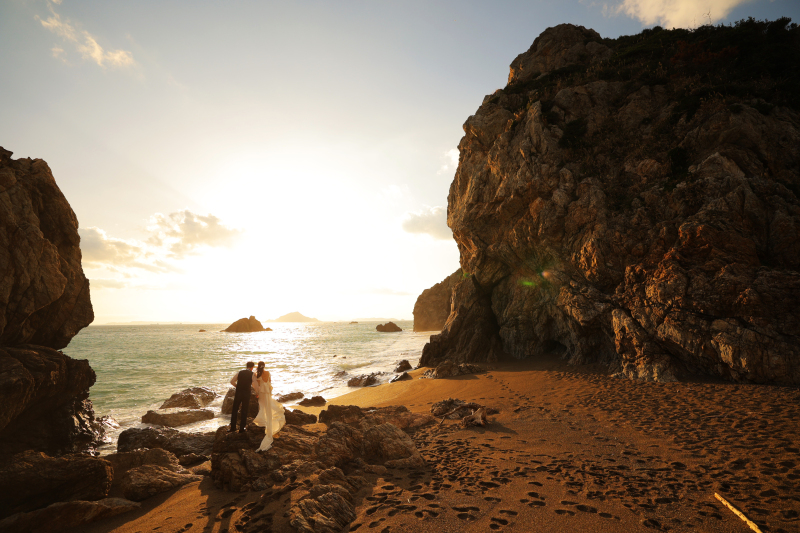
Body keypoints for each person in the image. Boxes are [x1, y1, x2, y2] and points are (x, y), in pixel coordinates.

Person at [252, 360, 286, 451]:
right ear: (264, 366)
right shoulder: (268, 373)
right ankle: (268, 426)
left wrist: (256, 393)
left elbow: (257, 385)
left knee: (262, 408)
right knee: (268, 409)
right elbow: (270, 383)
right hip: (267, 393)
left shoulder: (256, 374)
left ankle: (264, 424)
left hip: (262, 393)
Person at [229, 361, 258, 433]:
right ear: (252, 367)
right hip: (246, 394)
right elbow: (255, 385)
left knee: (235, 409)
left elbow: (232, 381)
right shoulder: (252, 374)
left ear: (246, 366)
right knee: (244, 410)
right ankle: (242, 428)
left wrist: (237, 386)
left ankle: (233, 428)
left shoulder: (240, 372)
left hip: (238, 393)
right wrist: (257, 393)